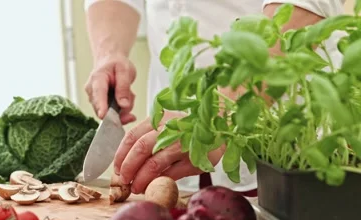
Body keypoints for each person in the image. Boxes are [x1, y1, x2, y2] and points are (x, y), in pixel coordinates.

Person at [83, 0, 346, 195]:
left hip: (282, 159)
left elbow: (304, 5)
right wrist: (110, 52)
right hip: (174, 159)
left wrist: (218, 116)